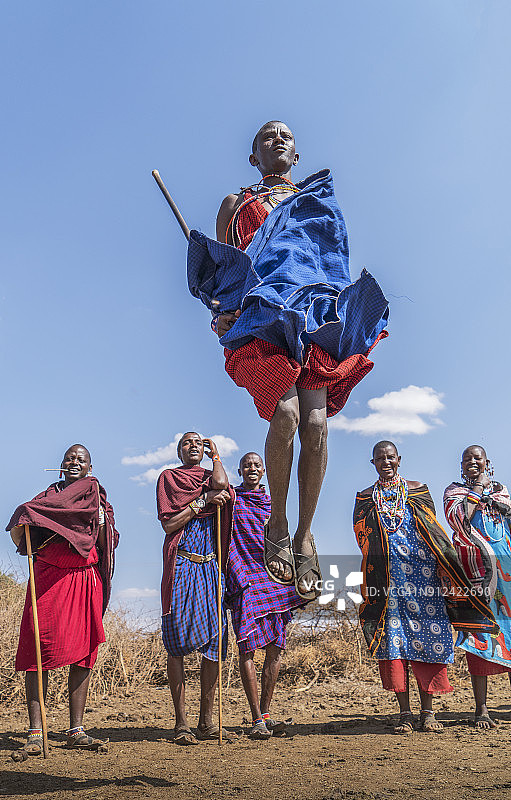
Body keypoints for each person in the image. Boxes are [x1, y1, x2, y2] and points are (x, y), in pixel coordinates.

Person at [188, 121, 389, 600]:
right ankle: (277, 523)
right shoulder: (236, 204)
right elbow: (228, 268)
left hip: (312, 313)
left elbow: (330, 259)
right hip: (261, 315)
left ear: (296, 155)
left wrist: (339, 310)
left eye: (285, 136)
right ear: (253, 157)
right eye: (266, 137)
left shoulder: (316, 200)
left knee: (316, 425)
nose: (277, 139)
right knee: (286, 414)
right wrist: (220, 308)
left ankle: (304, 534)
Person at [353, 441, 496, 733]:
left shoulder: (418, 490)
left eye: (390, 457)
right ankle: (405, 714)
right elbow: (363, 537)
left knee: (427, 640)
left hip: (424, 578)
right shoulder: (365, 498)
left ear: (399, 459)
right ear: (373, 463)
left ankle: (428, 713)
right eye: (380, 458)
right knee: (394, 645)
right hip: (388, 583)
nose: (386, 462)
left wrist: (445, 568)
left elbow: (434, 531)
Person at [6, 444, 119, 754]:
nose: (74, 462)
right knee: (37, 649)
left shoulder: (98, 500)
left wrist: (101, 520)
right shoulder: (46, 499)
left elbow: (109, 541)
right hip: (48, 579)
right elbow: (22, 523)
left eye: (81, 459)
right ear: (61, 465)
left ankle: (76, 730)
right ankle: (35, 732)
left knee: (84, 653)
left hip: (84, 578)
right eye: (70, 458)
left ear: (90, 468)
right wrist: (28, 525)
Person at [156, 432, 235, 745]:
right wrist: (202, 501)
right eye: (186, 442)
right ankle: (181, 723)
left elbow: (222, 484)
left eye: (198, 443)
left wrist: (216, 455)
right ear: (178, 451)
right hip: (182, 565)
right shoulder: (170, 479)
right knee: (176, 643)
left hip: (210, 567)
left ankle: (206, 721)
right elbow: (169, 524)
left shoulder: (210, 478)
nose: (193, 446)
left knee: (215, 642)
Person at [227, 451, 306, 740]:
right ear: (239, 471)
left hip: (274, 579)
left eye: (257, 465)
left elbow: (284, 541)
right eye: (246, 465)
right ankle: (255, 718)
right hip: (244, 577)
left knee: (275, 648)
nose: (252, 468)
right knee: (246, 647)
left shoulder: (274, 504)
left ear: (264, 471)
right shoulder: (232, 500)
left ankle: (267, 713)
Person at [444, 445, 511, 730]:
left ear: (487, 462)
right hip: (475, 576)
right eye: (467, 459)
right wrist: (477, 489)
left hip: (507, 575)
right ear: (461, 466)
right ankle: (481, 709)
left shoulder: (501, 491)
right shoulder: (454, 492)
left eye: (477, 458)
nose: (472, 462)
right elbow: (460, 520)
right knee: (478, 635)